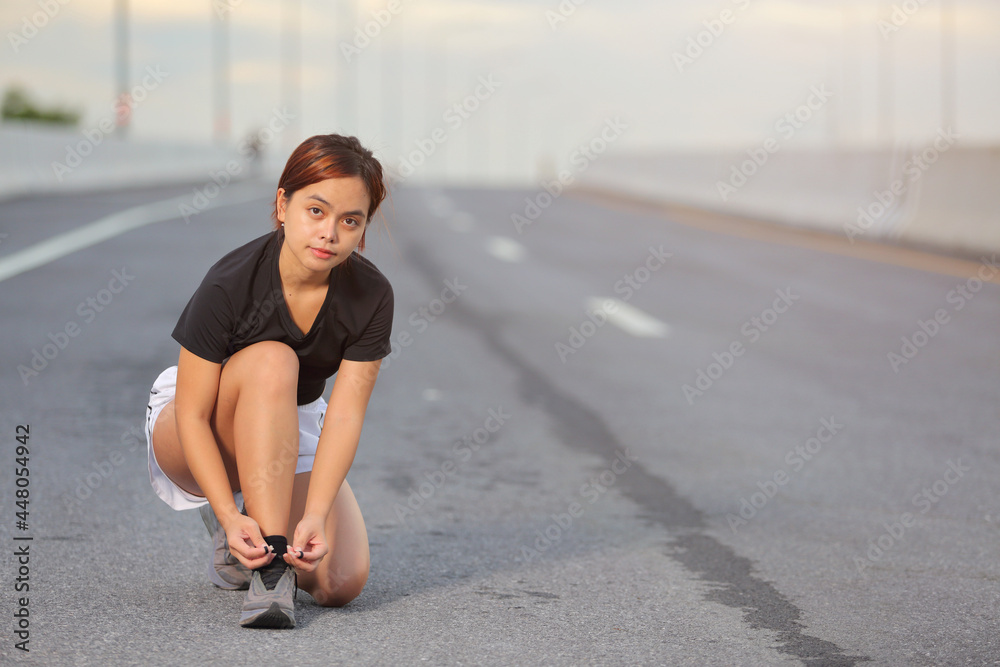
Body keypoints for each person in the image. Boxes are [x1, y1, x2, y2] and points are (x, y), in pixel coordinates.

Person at [143, 134, 393, 629]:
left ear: (363, 229)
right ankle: (268, 563)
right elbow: (192, 415)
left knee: (340, 582)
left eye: (350, 220)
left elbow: (343, 415)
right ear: (283, 205)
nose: (329, 234)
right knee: (274, 361)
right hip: (196, 426)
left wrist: (317, 514)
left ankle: (258, 539)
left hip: (289, 423)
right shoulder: (230, 283)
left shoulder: (371, 296)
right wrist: (228, 513)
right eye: (316, 211)